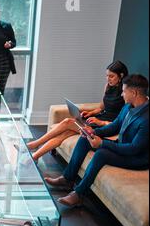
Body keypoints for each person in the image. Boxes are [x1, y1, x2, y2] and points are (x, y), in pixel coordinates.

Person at [45, 74, 149, 207]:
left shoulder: (146, 119)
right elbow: (114, 126)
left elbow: (134, 148)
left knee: (102, 154)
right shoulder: (128, 107)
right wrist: (93, 132)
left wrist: (102, 143)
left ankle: (79, 194)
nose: (122, 94)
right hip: (123, 145)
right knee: (84, 139)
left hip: (137, 158)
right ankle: (67, 178)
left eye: (124, 91)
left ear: (134, 93)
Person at [27, 61, 129, 162]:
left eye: (111, 76)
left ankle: (34, 145)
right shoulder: (108, 86)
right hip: (98, 120)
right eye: (107, 76)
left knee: (68, 122)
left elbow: (121, 123)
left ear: (121, 75)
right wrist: (91, 113)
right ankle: (35, 156)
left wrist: (101, 122)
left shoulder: (126, 94)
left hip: (107, 127)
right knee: (64, 134)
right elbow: (101, 108)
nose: (108, 79)